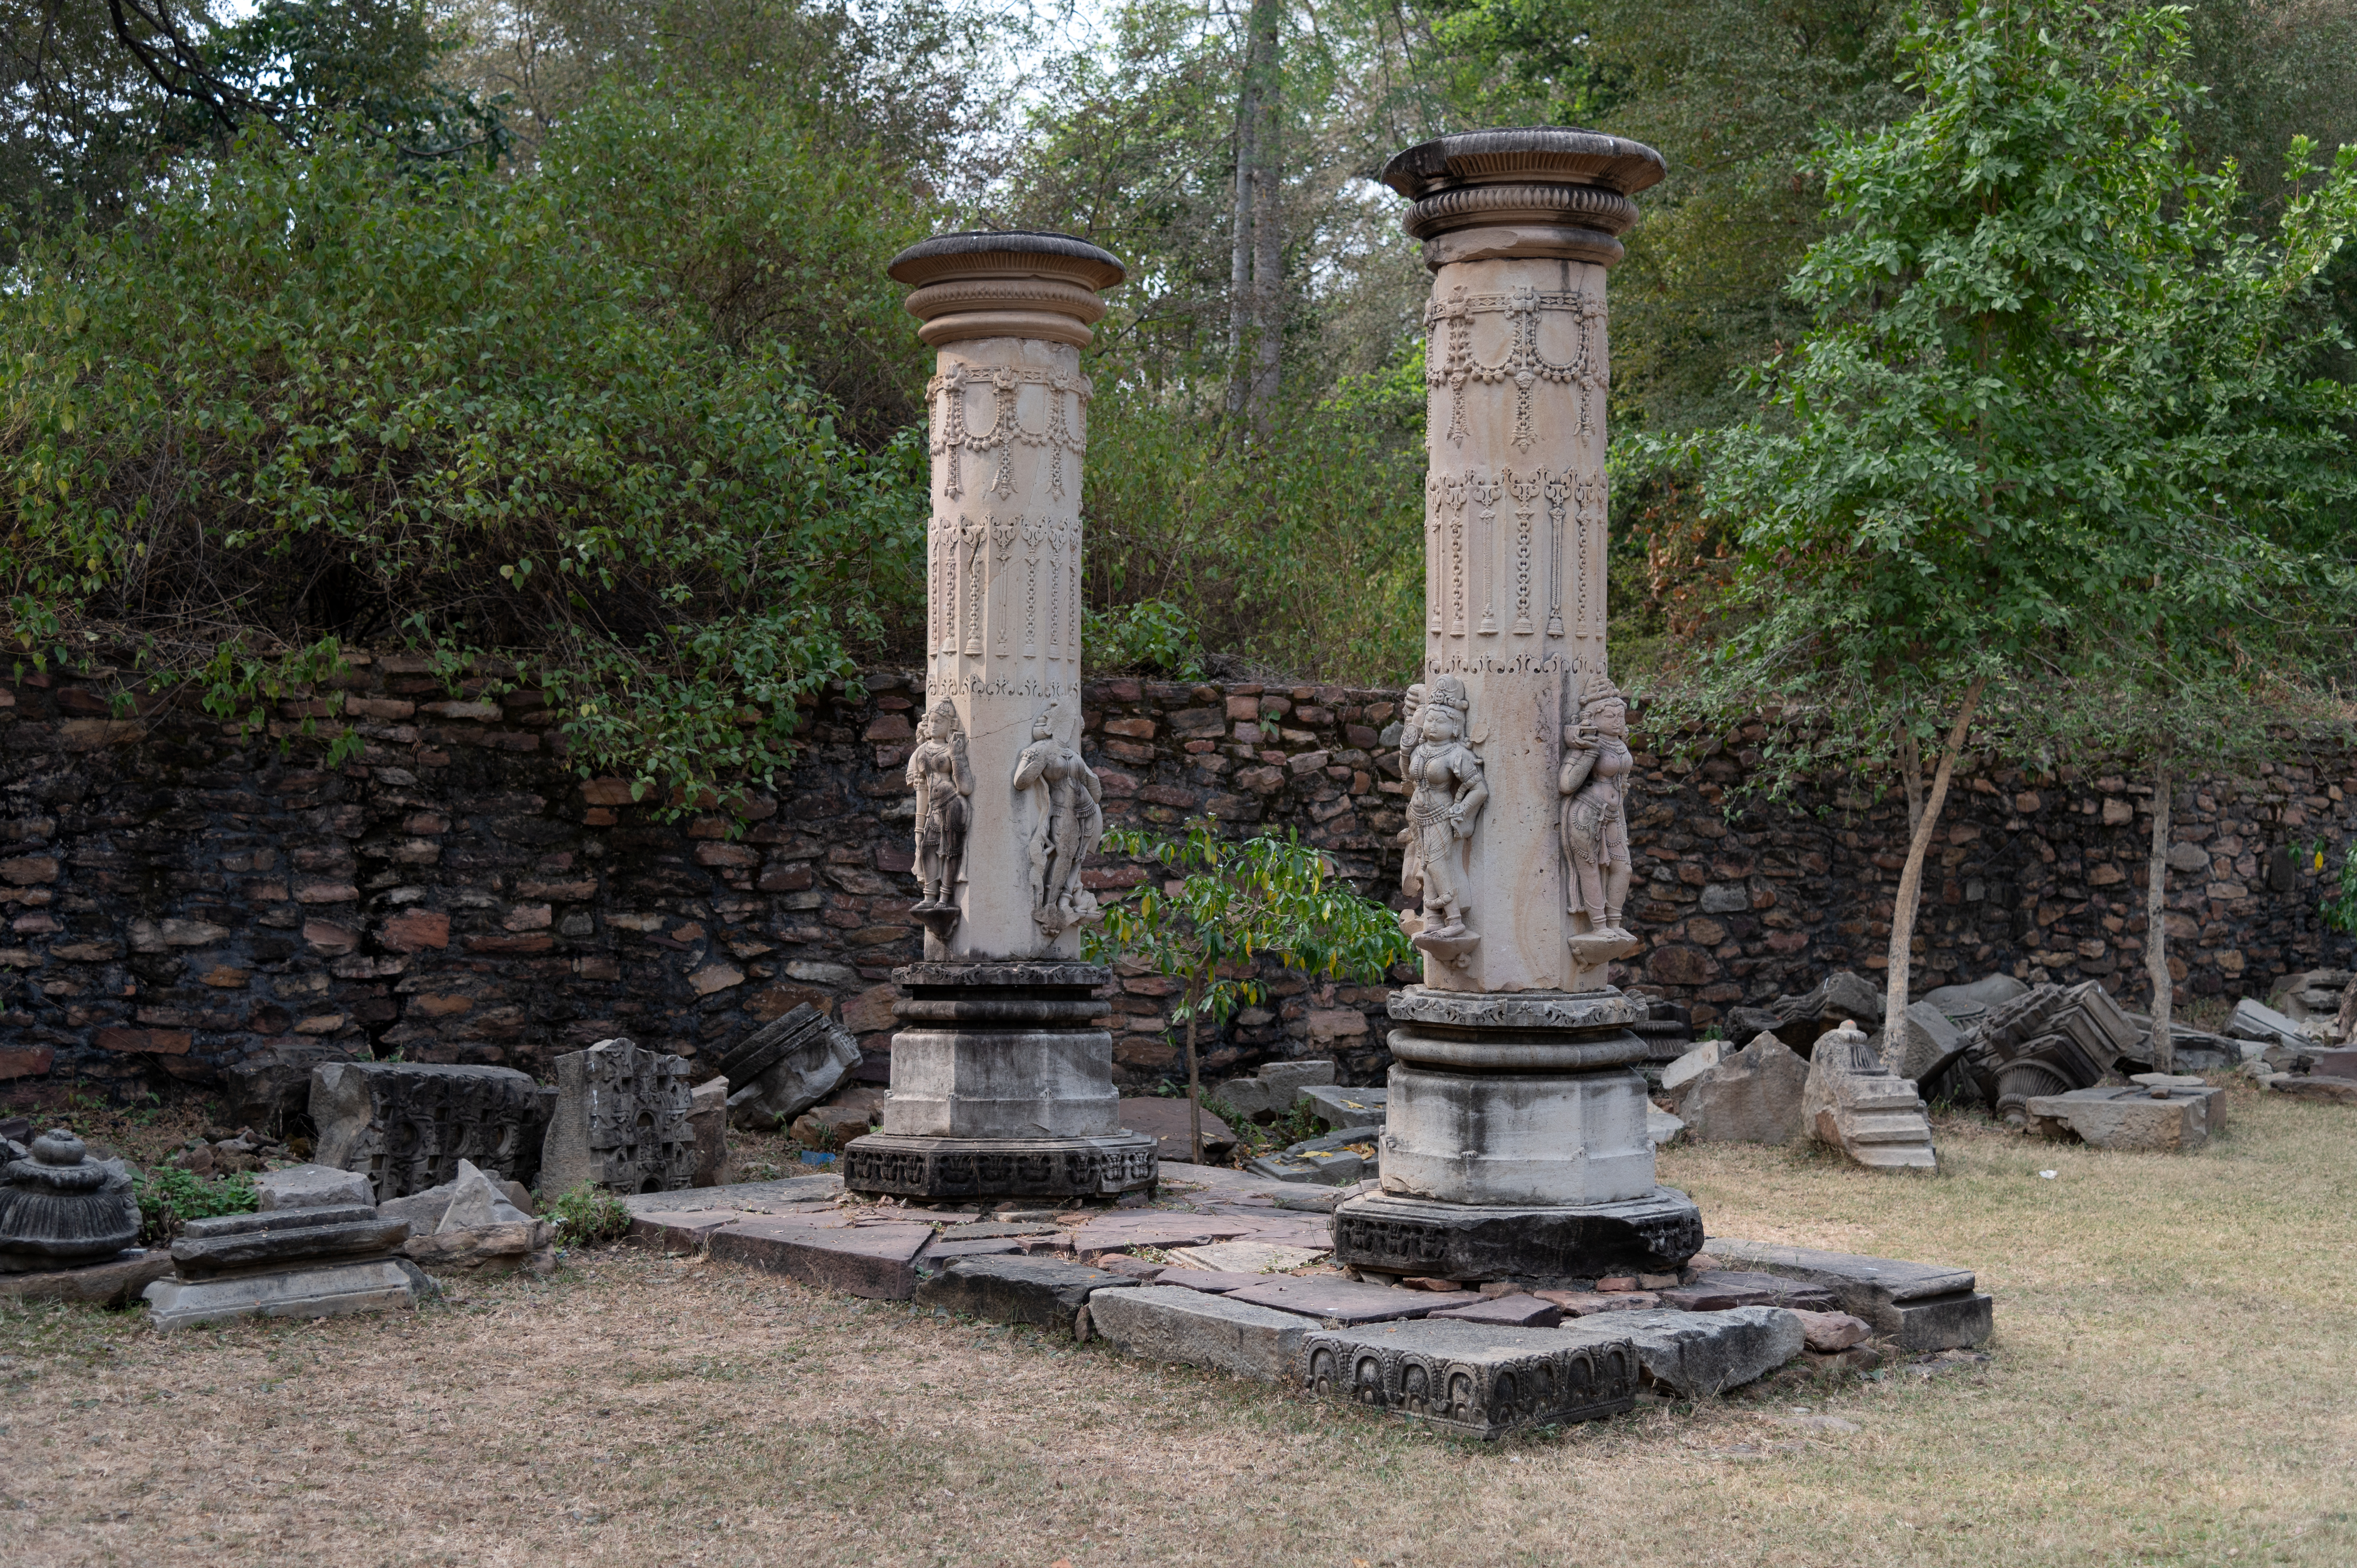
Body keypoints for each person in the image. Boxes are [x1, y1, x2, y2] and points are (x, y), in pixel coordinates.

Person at [1402, 675, 1487, 939]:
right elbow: (1408, 776)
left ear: (1455, 727)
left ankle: (1455, 920)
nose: (1433, 725)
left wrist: (1463, 809)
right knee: (1425, 866)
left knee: (1438, 865)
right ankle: (1432, 922)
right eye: (1430, 720)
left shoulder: (1456, 753)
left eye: (1441, 721)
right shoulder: (1422, 750)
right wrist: (1406, 752)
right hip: (1418, 815)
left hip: (1441, 812)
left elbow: (1480, 789)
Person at [1012, 701, 1104, 936]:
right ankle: (1051, 905)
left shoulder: (1074, 755)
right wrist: (1039, 761)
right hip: (1061, 813)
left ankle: (1062, 902)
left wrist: (1093, 789)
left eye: (1070, 723)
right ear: (1051, 724)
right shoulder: (1042, 749)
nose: (1067, 727)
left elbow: (1094, 787)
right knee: (1062, 856)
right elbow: (1020, 781)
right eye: (1062, 722)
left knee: (1072, 859)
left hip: (1083, 815)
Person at [1557, 675, 1634, 939]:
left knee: (1623, 868)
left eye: (1620, 715)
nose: (1618, 721)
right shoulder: (1588, 744)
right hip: (1585, 813)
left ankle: (1614, 922)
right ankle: (1599, 926)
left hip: (1613, 814)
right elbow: (1566, 784)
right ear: (1594, 718)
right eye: (1610, 716)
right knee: (1589, 867)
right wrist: (1589, 754)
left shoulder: (1619, 743)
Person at [908, 699, 972, 913]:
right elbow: (921, 789)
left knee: (951, 851)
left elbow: (966, 787)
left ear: (950, 725)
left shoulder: (951, 748)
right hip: (934, 808)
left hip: (954, 805)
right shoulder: (920, 753)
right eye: (932, 721)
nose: (934, 726)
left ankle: (945, 896)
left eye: (940, 722)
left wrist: (956, 755)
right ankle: (929, 895)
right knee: (927, 849)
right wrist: (919, 825)